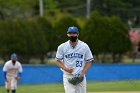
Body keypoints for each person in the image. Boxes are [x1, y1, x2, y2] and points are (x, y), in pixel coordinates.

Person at [55, 26, 94, 93]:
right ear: (67, 34)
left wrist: (82, 73)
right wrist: (66, 69)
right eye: (70, 33)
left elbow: (89, 61)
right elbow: (57, 60)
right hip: (68, 76)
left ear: (78, 34)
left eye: (74, 33)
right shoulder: (62, 47)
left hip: (80, 76)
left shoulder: (84, 46)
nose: (72, 35)